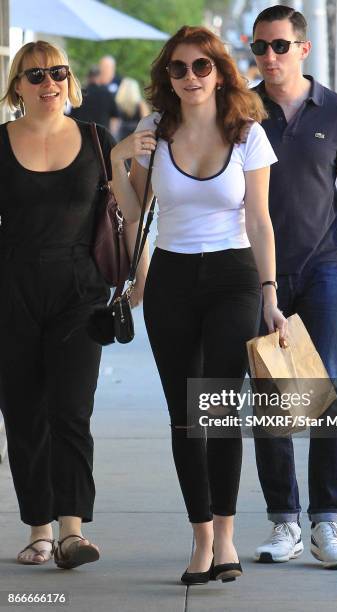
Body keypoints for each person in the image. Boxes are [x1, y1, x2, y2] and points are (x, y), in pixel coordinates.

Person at [110, 25, 287, 584]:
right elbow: (134, 210)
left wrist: (269, 294)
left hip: (233, 275)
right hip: (172, 276)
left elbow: (259, 220)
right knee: (186, 417)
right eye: (179, 68)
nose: (190, 77)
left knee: (216, 404)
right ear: (168, 76)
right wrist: (118, 160)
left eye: (201, 67)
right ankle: (202, 538)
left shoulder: (247, 133)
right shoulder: (152, 130)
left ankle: (227, 534)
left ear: (220, 70)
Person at [0, 40, 143, 569]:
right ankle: (38, 530)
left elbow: (125, 210)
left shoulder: (96, 139)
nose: (48, 83)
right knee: (23, 412)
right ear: (17, 85)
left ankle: (71, 531)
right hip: (11, 289)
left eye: (57, 73)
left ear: (69, 81)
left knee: (71, 410)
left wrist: (138, 274)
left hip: (80, 292)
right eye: (35, 75)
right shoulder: (0, 142)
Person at [249, 6, 337, 569]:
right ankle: (285, 523)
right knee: (271, 395)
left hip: (325, 268)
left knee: (330, 390)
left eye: (278, 46)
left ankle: (328, 522)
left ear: (303, 49)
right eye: (259, 47)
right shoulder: (242, 111)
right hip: (257, 271)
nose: (268, 57)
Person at [69, 66, 120, 133]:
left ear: (88, 77)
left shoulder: (80, 93)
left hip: (82, 133)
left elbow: (72, 116)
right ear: (99, 77)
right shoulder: (107, 94)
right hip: (101, 135)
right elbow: (115, 117)